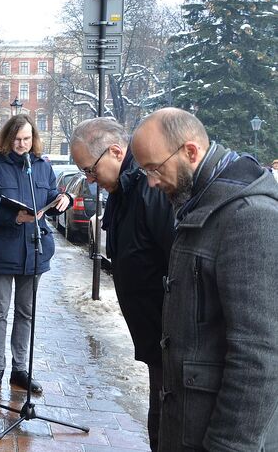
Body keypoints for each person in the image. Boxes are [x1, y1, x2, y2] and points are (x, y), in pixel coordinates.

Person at [131, 108, 278, 451]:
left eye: (154, 168)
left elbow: (259, 355)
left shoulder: (250, 217)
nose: (151, 182)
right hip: (187, 427)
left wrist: (228, 445)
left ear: (190, 152)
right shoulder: (199, 203)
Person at [70, 118, 174, 451]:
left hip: (169, 336)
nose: (90, 179)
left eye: (90, 170)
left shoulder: (149, 187)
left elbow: (177, 261)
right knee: (158, 419)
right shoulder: (121, 188)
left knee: (167, 424)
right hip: (154, 336)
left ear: (116, 151)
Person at [0, 114, 71, 394]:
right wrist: (14, 217)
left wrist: (65, 200)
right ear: (8, 139)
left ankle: (20, 369)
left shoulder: (42, 166)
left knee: (25, 312)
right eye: (17, 139)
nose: (22, 144)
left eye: (27, 139)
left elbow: (52, 197)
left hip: (35, 250)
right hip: (3, 249)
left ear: (34, 139)